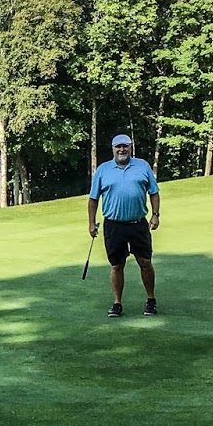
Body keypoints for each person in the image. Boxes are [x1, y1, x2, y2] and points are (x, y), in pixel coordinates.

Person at [87, 134, 160, 317]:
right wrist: (91, 223)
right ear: (113, 149)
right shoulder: (103, 170)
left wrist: (155, 215)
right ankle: (117, 303)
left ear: (130, 147)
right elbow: (93, 199)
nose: (122, 149)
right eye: (118, 146)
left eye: (125, 146)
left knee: (145, 262)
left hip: (138, 224)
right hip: (114, 225)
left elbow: (154, 192)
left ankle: (151, 300)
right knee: (117, 265)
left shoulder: (142, 166)